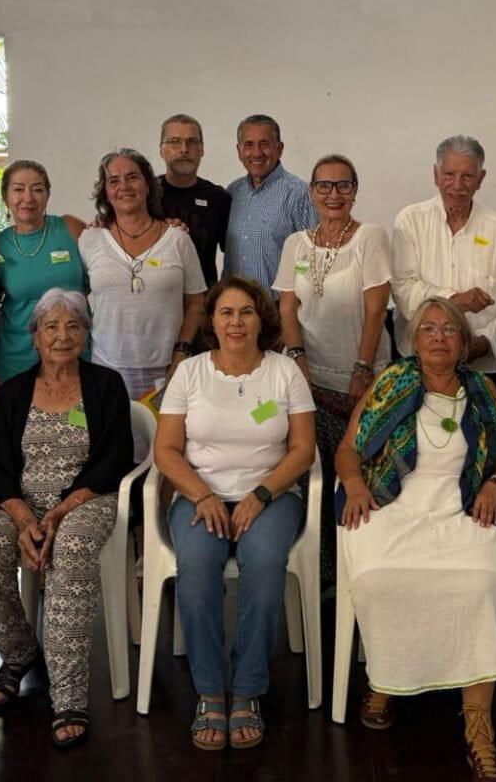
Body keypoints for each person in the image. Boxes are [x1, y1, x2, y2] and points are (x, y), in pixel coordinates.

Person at [337, 297, 496, 782]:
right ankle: (386, 675)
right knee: (379, 577)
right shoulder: (390, 382)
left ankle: (478, 727)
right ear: (413, 340)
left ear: (464, 342)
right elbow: (348, 450)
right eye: (429, 328)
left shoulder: (482, 389)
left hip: (463, 505)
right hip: (394, 504)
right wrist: (357, 485)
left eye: (449, 329)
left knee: (484, 582)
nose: (439, 336)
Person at [154, 276, 315, 751]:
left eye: (246, 312)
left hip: (272, 495)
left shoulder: (284, 372)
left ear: (261, 318)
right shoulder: (191, 373)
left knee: (264, 568)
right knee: (198, 572)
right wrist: (202, 494)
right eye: (226, 312)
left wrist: (261, 494)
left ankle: (247, 689)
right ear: (212, 320)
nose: (236, 322)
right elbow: (166, 450)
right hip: (198, 495)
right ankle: (209, 690)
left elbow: (303, 450)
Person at [0, 289, 132, 748]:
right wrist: (23, 519)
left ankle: (70, 693)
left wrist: (59, 512)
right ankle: (19, 651)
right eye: (52, 326)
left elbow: (115, 458)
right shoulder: (13, 391)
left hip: (86, 499)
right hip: (19, 502)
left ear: (85, 333)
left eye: (73, 325)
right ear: (34, 336)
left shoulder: (106, 385)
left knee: (72, 550)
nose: (63, 335)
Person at [274, 154, 392, 582]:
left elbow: (376, 308)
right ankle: (325, 576)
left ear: (355, 190)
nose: (333, 194)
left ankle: (366, 571)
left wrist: (362, 366)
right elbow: (288, 306)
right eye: (324, 186)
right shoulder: (296, 244)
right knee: (318, 481)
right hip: (312, 382)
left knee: (364, 476)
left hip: (363, 383)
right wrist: (296, 359)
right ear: (311, 192)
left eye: (343, 185)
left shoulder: (370, 238)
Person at [391, 135, 496, 389]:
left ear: (481, 179)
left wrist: (485, 342)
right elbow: (404, 289)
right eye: (449, 174)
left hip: (485, 369)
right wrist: (455, 301)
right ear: (435, 175)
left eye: (467, 176)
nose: (457, 185)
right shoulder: (410, 222)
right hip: (419, 366)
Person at [78, 149, 206, 401]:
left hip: (168, 369)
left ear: (148, 184)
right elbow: (77, 295)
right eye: (113, 181)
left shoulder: (178, 239)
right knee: (112, 439)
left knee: (165, 440)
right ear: (105, 191)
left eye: (132, 177)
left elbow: (196, 303)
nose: (124, 186)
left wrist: (181, 352)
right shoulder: (90, 240)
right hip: (106, 368)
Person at [0, 159, 86, 378]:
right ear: (5, 197)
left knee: (75, 412)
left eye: (37, 189)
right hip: (17, 355)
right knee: (20, 412)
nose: (28, 198)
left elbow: (100, 275)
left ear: (47, 195)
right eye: (18, 189)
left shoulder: (70, 228)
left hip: (70, 350)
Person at [223, 114, 317, 292]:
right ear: (239, 150)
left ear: (279, 148)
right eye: (249, 145)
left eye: (264, 144)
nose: (257, 153)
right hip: (234, 307)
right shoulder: (233, 192)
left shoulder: (299, 194)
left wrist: (293, 298)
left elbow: (310, 256)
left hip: (278, 308)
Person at [158, 113, 232, 288]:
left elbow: (234, 253)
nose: (184, 149)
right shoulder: (145, 195)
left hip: (205, 304)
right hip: (157, 302)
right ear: (161, 150)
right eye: (175, 141)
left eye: (192, 141)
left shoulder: (218, 198)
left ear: (202, 149)